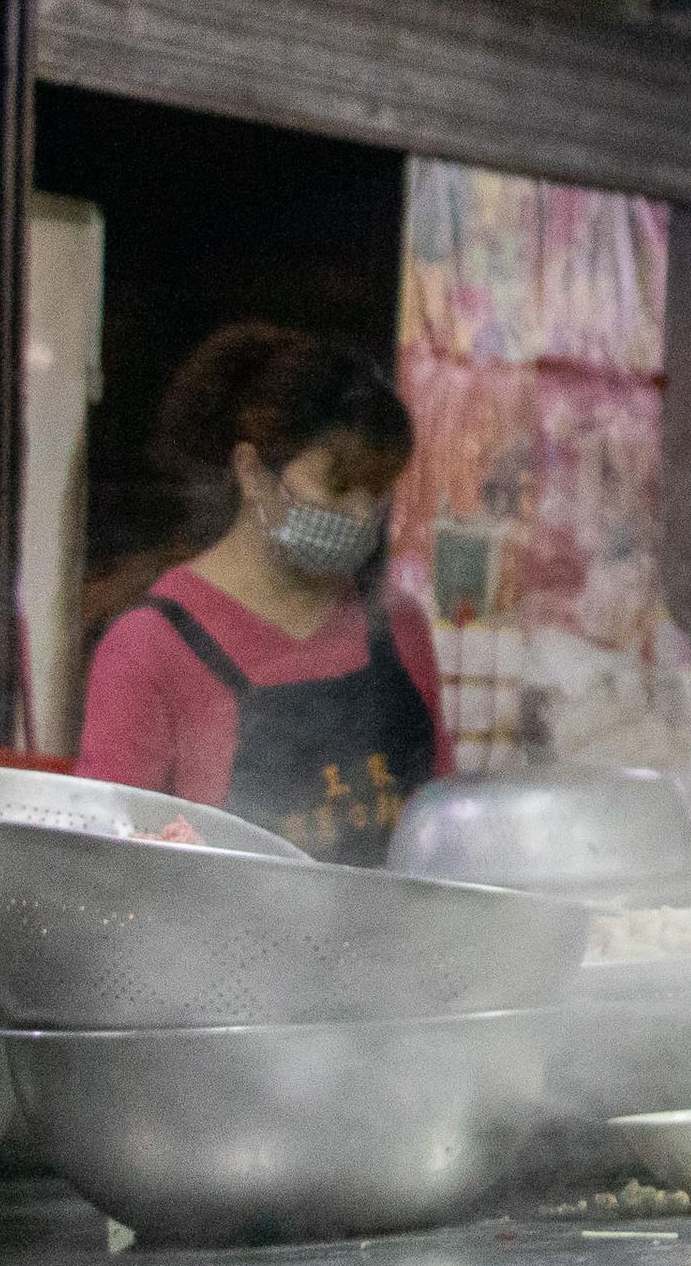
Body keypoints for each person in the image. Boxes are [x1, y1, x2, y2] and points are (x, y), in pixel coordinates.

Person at [78, 323, 442, 862]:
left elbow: (442, 836)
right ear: (253, 473)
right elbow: (103, 868)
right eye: (339, 487)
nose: (362, 514)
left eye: (377, 491)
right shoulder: (151, 649)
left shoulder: (398, 628)